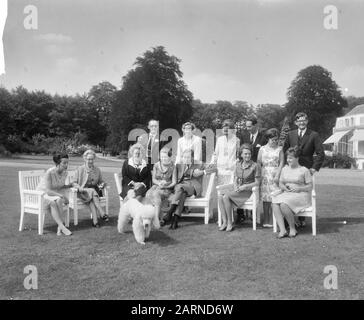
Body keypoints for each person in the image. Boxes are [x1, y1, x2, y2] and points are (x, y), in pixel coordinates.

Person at [283, 112, 324, 227]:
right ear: (296, 122)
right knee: (290, 191)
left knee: (303, 191)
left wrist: (314, 168)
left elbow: (321, 153)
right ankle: (289, 218)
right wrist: (286, 166)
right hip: (291, 169)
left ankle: (301, 219)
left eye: (304, 120)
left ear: (307, 121)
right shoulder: (290, 134)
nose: (301, 122)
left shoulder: (314, 135)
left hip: (306, 169)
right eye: (299, 120)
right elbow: (284, 151)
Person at [161, 149, 215, 229]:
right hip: (181, 188)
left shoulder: (199, 164)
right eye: (184, 157)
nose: (186, 159)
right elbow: (175, 180)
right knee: (182, 193)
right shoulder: (179, 165)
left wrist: (203, 172)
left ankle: (170, 212)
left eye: (188, 157)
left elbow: (213, 168)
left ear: (192, 157)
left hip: (193, 187)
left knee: (180, 188)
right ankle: (175, 219)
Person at [217, 144, 261, 232]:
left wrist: (245, 186)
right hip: (238, 190)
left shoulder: (255, 166)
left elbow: (257, 183)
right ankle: (225, 222)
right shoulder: (238, 165)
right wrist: (236, 186)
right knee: (220, 197)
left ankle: (230, 223)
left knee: (225, 196)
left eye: (249, 154)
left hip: (248, 191)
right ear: (241, 155)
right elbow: (235, 179)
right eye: (245, 154)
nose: (247, 156)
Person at [272, 147, 313, 238]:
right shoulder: (284, 169)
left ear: (297, 158)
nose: (288, 160)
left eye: (291, 158)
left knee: (283, 204)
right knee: (274, 203)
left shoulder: (304, 170)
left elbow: (310, 186)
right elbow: (281, 183)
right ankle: (283, 230)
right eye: (287, 158)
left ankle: (292, 228)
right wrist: (284, 188)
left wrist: (299, 189)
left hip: (301, 195)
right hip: (287, 194)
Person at [36, 153, 73, 236]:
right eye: (64, 163)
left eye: (67, 162)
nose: (66, 165)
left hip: (54, 195)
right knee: (54, 201)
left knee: (58, 200)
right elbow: (48, 191)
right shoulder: (50, 172)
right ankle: (62, 227)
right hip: (42, 195)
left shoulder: (65, 173)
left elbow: (59, 185)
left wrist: (69, 185)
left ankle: (60, 228)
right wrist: (62, 196)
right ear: (58, 163)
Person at [72, 149, 109, 228]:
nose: (90, 161)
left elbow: (101, 181)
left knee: (92, 199)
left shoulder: (97, 170)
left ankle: (95, 222)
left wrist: (102, 184)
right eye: (89, 159)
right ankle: (102, 212)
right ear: (85, 159)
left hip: (93, 194)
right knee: (92, 191)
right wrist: (79, 187)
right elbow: (74, 182)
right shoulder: (80, 169)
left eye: (92, 159)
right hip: (82, 192)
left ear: (94, 159)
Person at [257, 128, 284, 228]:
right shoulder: (262, 149)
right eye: (273, 139)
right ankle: (266, 219)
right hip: (264, 175)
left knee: (274, 197)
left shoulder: (280, 149)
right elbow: (259, 162)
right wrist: (258, 175)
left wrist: (278, 174)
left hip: (275, 175)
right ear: (268, 139)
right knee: (265, 198)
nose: (275, 141)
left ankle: (273, 220)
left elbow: (281, 162)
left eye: (276, 139)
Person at [145, 147, 177, 219]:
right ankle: (149, 215)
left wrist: (166, 186)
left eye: (165, 157)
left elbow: (174, 182)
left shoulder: (173, 167)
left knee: (156, 194)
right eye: (162, 157)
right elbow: (153, 179)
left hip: (167, 188)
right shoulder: (156, 165)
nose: (163, 159)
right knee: (148, 194)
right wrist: (159, 183)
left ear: (170, 157)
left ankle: (156, 218)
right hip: (156, 186)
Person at [211, 119, 240, 186]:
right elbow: (215, 154)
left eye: (228, 128)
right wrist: (213, 165)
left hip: (232, 171)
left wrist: (233, 165)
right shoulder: (219, 139)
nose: (225, 129)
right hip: (220, 170)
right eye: (224, 127)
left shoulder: (237, 140)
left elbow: (238, 156)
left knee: (229, 191)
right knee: (220, 191)